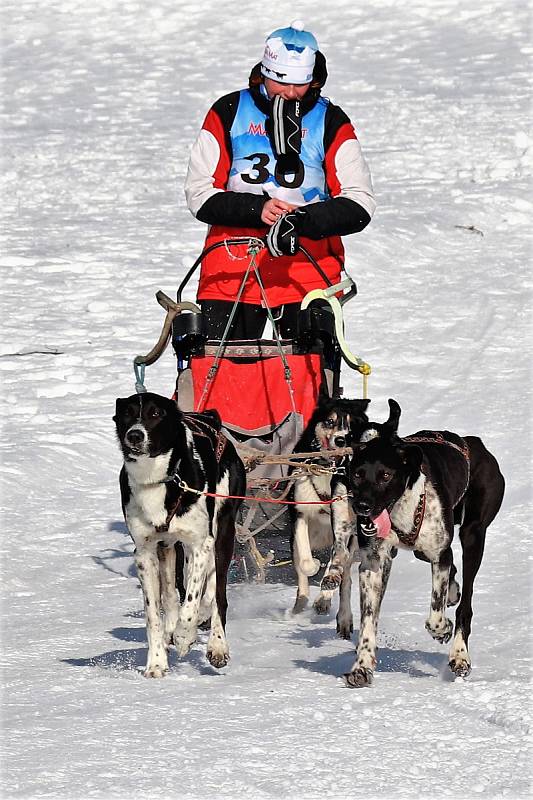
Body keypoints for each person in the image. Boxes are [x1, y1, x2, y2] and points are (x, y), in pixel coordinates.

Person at [184, 20, 376, 342]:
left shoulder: (330, 121)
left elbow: (360, 202)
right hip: (232, 271)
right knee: (222, 380)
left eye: (300, 84)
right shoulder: (229, 112)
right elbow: (199, 193)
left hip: (307, 271)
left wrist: (301, 220)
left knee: (311, 383)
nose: (289, 93)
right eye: (280, 82)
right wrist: (257, 209)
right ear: (265, 73)